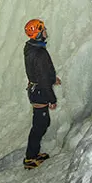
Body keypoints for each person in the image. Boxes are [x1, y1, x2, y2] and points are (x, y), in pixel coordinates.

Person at [22, 19, 60, 169]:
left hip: (35, 89)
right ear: (38, 34)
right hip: (39, 92)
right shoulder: (39, 54)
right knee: (40, 125)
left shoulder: (30, 48)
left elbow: (39, 72)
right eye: (43, 30)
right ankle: (30, 158)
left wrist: (52, 78)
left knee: (41, 123)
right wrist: (52, 99)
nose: (46, 32)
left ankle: (33, 154)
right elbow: (43, 78)